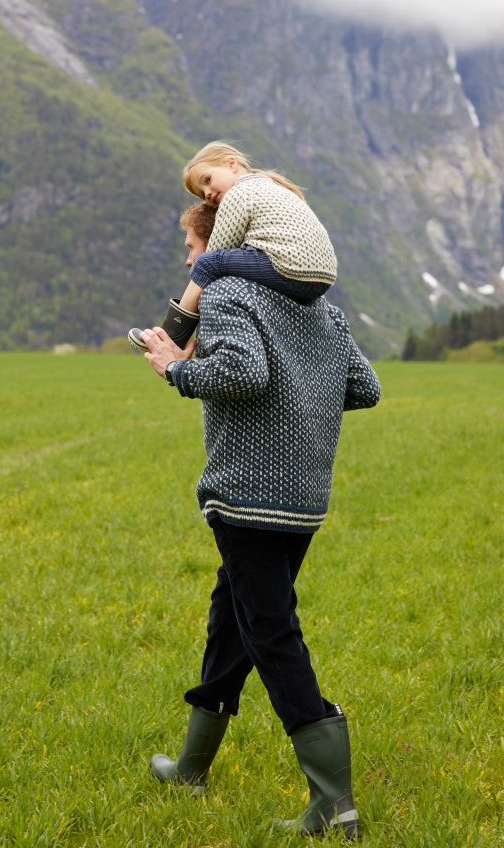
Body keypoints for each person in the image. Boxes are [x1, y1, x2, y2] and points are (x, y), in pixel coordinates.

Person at [138, 217, 381, 839]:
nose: (190, 263)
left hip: (248, 496)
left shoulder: (226, 293)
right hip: (303, 497)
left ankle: (333, 803)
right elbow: (364, 387)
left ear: (219, 247)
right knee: (235, 616)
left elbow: (243, 373)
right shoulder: (321, 307)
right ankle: (192, 767)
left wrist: (174, 367)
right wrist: (302, 387)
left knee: (270, 631)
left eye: (193, 249)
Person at [128, 141, 337, 352]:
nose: (208, 193)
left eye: (207, 180)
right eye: (202, 194)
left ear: (231, 164)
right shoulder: (272, 188)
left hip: (287, 267)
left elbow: (217, 253)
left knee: (206, 263)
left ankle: (171, 336)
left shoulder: (238, 193)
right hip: (321, 278)